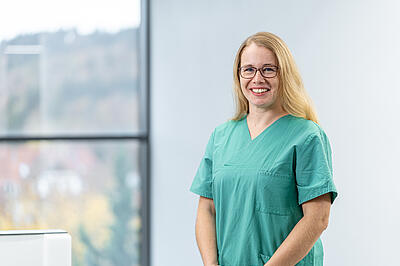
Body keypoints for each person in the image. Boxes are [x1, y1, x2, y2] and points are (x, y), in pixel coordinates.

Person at [189, 32, 338, 266]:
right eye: (248, 69)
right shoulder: (221, 136)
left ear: (284, 75)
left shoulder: (307, 136)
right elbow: (207, 209)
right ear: (238, 76)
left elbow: (317, 218)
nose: (257, 78)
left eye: (268, 69)